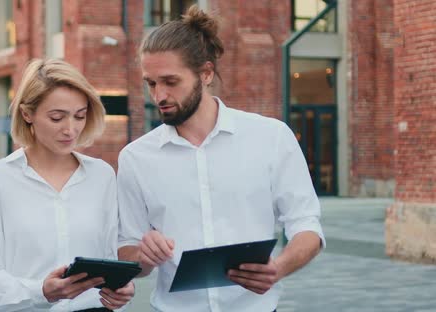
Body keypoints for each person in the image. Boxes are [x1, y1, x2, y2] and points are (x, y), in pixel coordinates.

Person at [116, 5, 325, 312]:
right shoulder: (136, 158)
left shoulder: (271, 137)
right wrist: (142, 255)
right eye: (151, 83)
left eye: (170, 82)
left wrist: (278, 268)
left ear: (207, 73)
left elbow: (306, 224)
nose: (159, 96)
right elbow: (127, 249)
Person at [0, 58, 134, 312]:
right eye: (57, 118)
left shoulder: (102, 176)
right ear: (27, 114)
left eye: (79, 116)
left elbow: (109, 258)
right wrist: (41, 292)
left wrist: (121, 287)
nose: (71, 129)